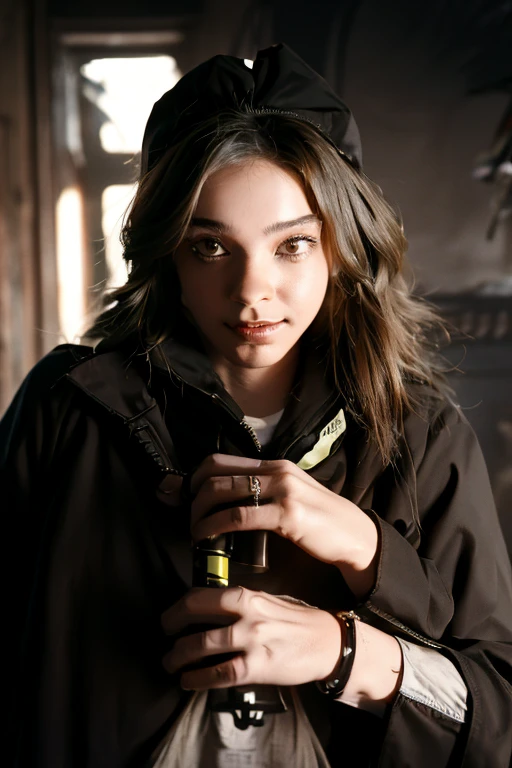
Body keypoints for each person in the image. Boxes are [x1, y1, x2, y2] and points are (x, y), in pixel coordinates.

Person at [2, 43, 512, 768]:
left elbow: (498, 718)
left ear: (341, 247)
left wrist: (352, 621)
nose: (251, 291)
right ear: (166, 254)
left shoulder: (421, 433)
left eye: (292, 245)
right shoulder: (67, 410)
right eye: (210, 248)